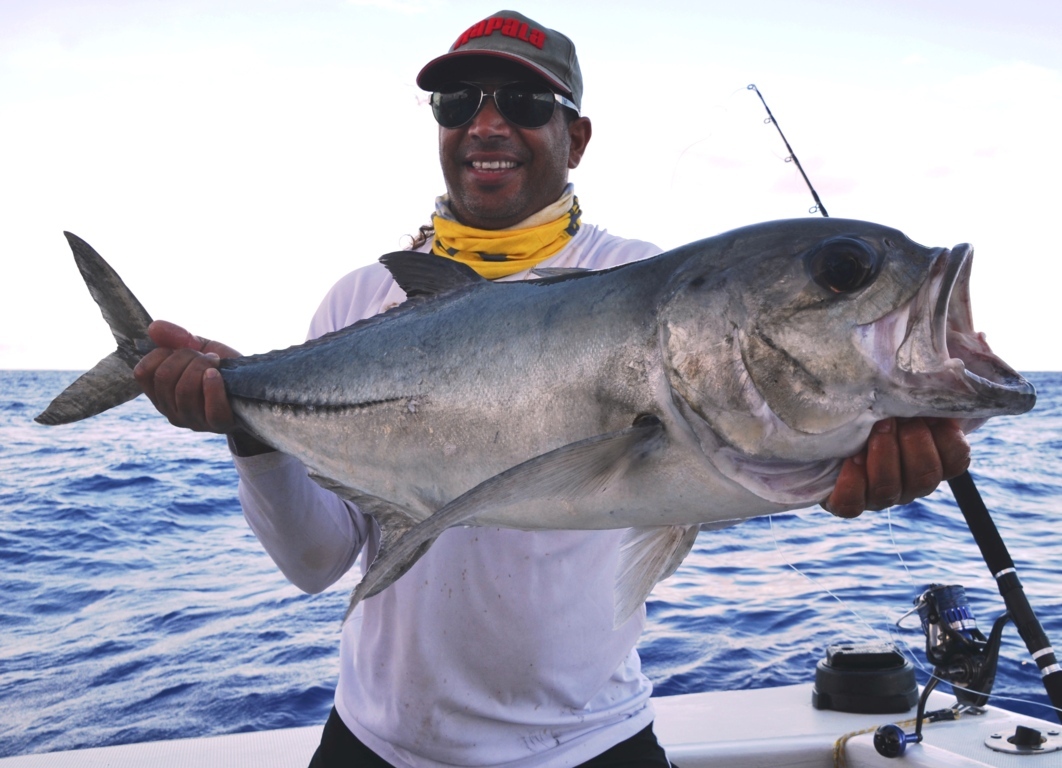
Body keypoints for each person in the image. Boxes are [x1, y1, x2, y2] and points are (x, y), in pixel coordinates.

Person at [133, 10, 971, 767]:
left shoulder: (645, 282)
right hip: (374, 745)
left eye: (527, 105)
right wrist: (246, 425)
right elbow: (316, 563)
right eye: (457, 102)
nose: (486, 124)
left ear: (577, 137)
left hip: (591, 746)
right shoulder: (364, 302)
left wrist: (853, 450)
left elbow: (735, 454)